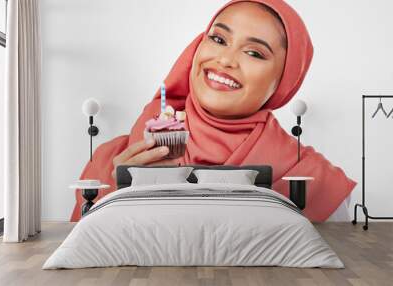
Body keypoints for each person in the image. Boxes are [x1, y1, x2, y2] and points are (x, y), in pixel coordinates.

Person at [70, 0, 356, 222]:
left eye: (254, 53)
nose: (225, 60)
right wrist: (115, 196)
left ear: (283, 82)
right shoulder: (108, 161)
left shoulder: (316, 181)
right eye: (218, 39)